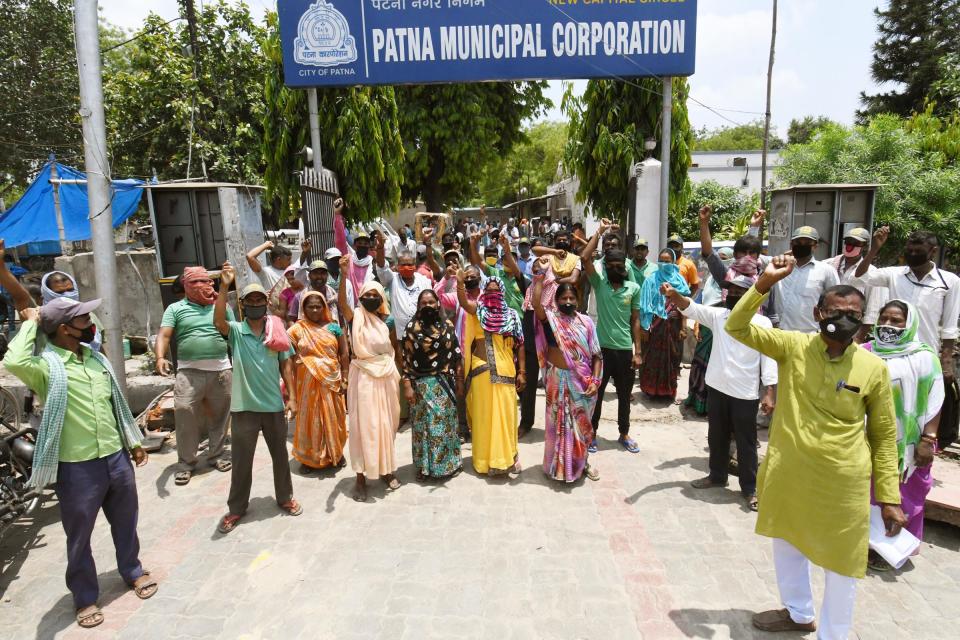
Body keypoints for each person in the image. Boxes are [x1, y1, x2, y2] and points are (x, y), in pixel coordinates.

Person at [725, 254, 906, 639]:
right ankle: (797, 613)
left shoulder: (873, 369)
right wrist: (764, 285)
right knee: (787, 545)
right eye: (835, 311)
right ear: (817, 311)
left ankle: (833, 634)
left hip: (842, 483)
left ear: (862, 320)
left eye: (853, 314)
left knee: (842, 565)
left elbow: (883, 435)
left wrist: (889, 496)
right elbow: (736, 326)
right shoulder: (793, 346)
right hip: (790, 470)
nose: (844, 319)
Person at [4, 299, 157, 628]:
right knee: (79, 535)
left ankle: (132, 570)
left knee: (126, 522)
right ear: (64, 329)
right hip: (77, 468)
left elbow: (115, 405)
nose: (91, 322)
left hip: (115, 457)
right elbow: (13, 359)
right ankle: (85, 597)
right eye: (83, 318)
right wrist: (32, 321)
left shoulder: (97, 359)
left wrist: (133, 442)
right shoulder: (46, 367)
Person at [662, 276, 778, 511]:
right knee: (716, 436)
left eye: (740, 291)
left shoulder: (763, 323)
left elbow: (769, 358)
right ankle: (717, 475)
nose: (734, 295)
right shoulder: (719, 316)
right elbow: (691, 308)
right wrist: (675, 296)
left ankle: (749, 488)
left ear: (752, 296)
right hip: (716, 387)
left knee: (746, 442)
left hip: (745, 392)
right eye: (731, 291)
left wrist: (770, 392)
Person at [214, 265, 301, 534]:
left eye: (259, 300)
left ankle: (285, 497)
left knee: (279, 456)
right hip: (244, 408)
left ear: (266, 303)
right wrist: (224, 286)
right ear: (242, 305)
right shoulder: (237, 332)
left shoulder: (276, 329)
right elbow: (218, 322)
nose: (254, 304)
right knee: (241, 461)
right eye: (250, 300)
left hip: (273, 406)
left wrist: (293, 397)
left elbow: (287, 365)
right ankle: (237, 508)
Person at [861, 300, 943, 571]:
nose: (888, 325)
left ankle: (896, 548)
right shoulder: (864, 352)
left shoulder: (924, 357)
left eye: (896, 321)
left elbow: (934, 399)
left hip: (910, 444)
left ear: (909, 324)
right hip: (870, 439)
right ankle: (871, 544)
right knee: (870, 494)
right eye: (884, 318)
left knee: (906, 495)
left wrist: (928, 440)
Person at [155, 267, 234, 486]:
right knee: (184, 412)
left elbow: (234, 333)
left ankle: (216, 454)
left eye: (208, 281)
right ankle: (186, 463)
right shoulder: (176, 308)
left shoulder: (222, 305)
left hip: (220, 370)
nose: (205, 285)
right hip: (189, 372)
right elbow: (164, 334)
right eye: (198, 282)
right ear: (187, 286)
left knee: (221, 415)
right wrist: (160, 357)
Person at [855, 227, 960, 382]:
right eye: (909, 251)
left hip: (925, 355)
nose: (912, 255)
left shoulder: (949, 281)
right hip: (890, 354)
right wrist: (875, 248)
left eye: (918, 251)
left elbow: (949, 327)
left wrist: (946, 362)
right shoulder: (893, 274)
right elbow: (860, 277)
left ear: (933, 251)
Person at [339, 262, 402, 501]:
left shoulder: (388, 321)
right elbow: (343, 305)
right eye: (367, 295)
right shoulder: (356, 317)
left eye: (376, 295)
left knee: (386, 424)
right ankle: (360, 479)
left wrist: (402, 377)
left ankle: (387, 471)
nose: (372, 298)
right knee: (364, 427)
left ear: (382, 298)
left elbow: (395, 349)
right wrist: (343, 275)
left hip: (386, 375)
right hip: (363, 376)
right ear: (361, 297)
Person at [532, 272, 602, 482]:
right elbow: (536, 305)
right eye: (563, 298)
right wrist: (539, 278)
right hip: (556, 380)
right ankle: (556, 465)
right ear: (556, 300)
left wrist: (596, 381)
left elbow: (597, 354)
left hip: (582, 382)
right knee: (557, 425)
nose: (568, 302)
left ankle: (583, 463)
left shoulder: (587, 323)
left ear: (578, 300)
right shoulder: (551, 320)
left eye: (572, 298)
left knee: (580, 427)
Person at [580, 221, 644, 453]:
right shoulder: (600, 284)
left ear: (625, 266)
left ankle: (624, 433)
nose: (615, 268)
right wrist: (598, 232)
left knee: (624, 396)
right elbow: (585, 259)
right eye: (611, 265)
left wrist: (638, 352)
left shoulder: (633, 289)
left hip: (625, 349)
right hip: (601, 351)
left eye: (619, 265)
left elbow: (635, 320)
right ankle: (592, 433)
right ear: (605, 267)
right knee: (596, 394)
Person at [457, 271, 525, 475]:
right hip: (481, 373)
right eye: (488, 291)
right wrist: (460, 283)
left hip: (507, 372)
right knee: (484, 417)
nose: (493, 294)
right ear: (483, 293)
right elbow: (463, 302)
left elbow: (520, 344)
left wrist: (522, 371)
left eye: (497, 291)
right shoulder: (478, 310)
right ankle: (485, 461)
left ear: (503, 293)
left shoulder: (512, 315)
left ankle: (508, 457)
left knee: (506, 416)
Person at [401, 290, 464, 481]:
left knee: (446, 426)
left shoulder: (448, 326)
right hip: (421, 385)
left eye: (431, 302)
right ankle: (425, 467)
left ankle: (449, 465)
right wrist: (407, 385)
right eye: (424, 303)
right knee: (424, 427)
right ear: (419, 306)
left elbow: (456, 354)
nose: (428, 305)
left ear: (438, 304)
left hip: (445, 383)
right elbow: (406, 359)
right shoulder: (412, 328)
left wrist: (460, 381)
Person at [287, 290, 349, 471]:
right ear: (303, 308)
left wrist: (345, 377)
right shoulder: (297, 329)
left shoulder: (334, 327)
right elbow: (286, 355)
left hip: (332, 380)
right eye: (310, 307)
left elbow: (344, 354)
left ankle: (335, 452)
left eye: (318, 306)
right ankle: (309, 459)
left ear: (324, 307)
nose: (314, 310)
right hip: (307, 383)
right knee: (310, 419)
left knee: (334, 417)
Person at [637, 248, 690, 402]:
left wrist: (683, 326)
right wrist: (645, 328)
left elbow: (685, 306)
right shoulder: (651, 280)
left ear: (673, 262)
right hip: (655, 325)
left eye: (668, 261)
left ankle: (669, 391)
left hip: (673, 326)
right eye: (662, 260)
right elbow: (644, 305)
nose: (664, 264)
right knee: (652, 358)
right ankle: (651, 390)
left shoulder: (680, 281)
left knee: (672, 357)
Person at [773, 226, 840, 333]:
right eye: (798, 242)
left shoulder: (826, 270)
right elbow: (753, 258)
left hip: (811, 333)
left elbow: (836, 301)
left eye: (807, 243)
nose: (802, 246)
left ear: (815, 246)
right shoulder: (780, 266)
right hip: (781, 331)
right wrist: (754, 227)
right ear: (791, 244)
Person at [826, 227, 885, 336]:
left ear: (865, 246)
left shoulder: (872, 273)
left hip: (852, 328)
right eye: (848, 241)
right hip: (827, 323)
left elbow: (873, 309)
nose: (850, 245)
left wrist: (860, 337)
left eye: (856, 243)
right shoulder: (828, 265)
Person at [245, 240, 295, 314]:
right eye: (288, 259)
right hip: (273, 316)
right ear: (279, 259)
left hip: (290, 315)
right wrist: (266, 245)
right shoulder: (266, 272)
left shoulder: (291, 271)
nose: (291, 262)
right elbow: (250, 256)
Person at [288, 259, 340, 326]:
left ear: (327, 275)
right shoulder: (300, 297)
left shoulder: (334, 296)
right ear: (309, 276)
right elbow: (291, 320)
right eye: (315, 273)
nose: (319, 277)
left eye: (322, 273)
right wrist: (296, 334)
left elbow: (341, 320)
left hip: (331, 334)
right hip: (307, 335)